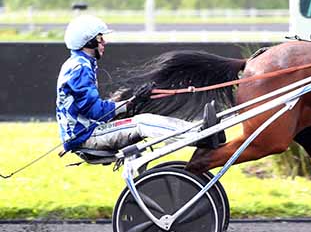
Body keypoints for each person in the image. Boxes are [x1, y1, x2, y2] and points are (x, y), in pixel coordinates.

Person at [56, 15, 218, 153]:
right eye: (100, 38)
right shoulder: (80, 69)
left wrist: (133, 100)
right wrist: (132, 102)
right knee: (143, 122)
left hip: (86, 133)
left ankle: (197, 131)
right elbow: (96, 111)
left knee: (144, 120)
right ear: (88, 42)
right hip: (87, 136)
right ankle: (199, 136)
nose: (104, 42)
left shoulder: (79, 64)